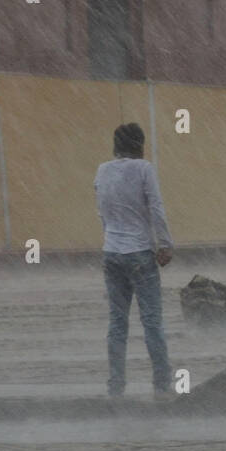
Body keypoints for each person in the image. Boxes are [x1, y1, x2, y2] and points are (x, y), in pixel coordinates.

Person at [95, 123, 175, 400]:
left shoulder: (102, 170)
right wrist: (165, 244)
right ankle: (162, 386)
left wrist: (111, 239)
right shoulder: (144, 169)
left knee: (117, 323)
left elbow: (102, 212)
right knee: (152, 322)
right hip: (140, 252)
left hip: (111, 253)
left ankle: (115, 387)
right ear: (139, 145)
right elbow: (156, 207)